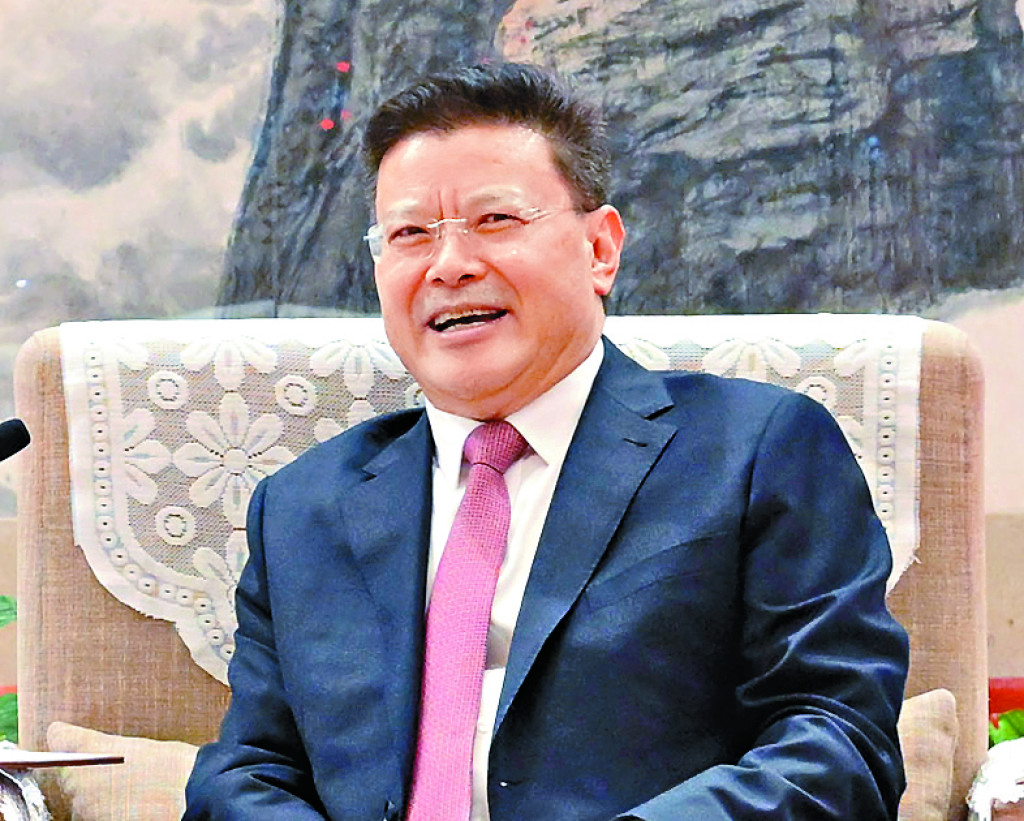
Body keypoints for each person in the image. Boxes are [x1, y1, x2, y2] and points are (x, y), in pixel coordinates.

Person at [184, 62, 909, 820]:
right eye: (410, 234)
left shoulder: (754, 451)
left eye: (495, 220)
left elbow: (838, 746)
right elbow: (248, 769)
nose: (449, 266)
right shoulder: (302, 506)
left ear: (600, 249)